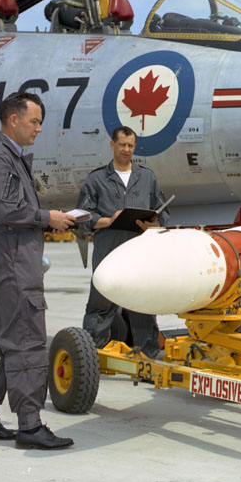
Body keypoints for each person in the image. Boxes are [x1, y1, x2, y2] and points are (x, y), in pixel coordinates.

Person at [0, 92, 76, 450]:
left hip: (7, 259)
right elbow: (7, 210)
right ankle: (29, 426)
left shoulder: (4, 156)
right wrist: (49, 218)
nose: (39, 129)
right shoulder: (0, 158)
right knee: (26, 341)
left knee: (0, 342)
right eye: (34, 121)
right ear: (13, 120)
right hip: (12, 262)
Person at [77, 126, 170, 356]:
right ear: (112, 145)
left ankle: (149, 360)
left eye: (130, 145)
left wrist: (154, 223)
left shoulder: (147, 177)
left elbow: (164, 213)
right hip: (108, 252)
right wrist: (109, 220)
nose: (126, 149)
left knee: (144, 305)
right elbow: (82, 217)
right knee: (100, 307)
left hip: (140, 253)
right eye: (122, 145)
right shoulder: (97, 179)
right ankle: (91, 359)